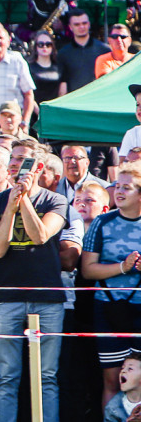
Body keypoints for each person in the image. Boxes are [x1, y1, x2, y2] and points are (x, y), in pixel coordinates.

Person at [0, 137, 73, 422]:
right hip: (5, 299)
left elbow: (40, 236)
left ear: (40, 168)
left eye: (26, 162)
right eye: (15, 161)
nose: (19, 167)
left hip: (47, 299)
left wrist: (26, 202)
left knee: (46, 376)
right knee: (6, 376)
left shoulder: (56, 200)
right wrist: (10, 205)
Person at [81, 163, 141, 406]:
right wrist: (122, 267)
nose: (119, 191)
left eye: (127, 187)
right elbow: (87, 270)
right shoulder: (102, 222)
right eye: (117, 185)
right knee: (113, 379)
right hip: (107, 308)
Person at [57, 8, 110, 95]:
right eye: (77, 24)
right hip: (74, 102)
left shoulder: (104, 49)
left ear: (89, 24)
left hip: (99, 99)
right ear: (70, 27)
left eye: (84, 23)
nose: (81, 27)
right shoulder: (63, 53)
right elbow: (63, 83)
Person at [27, 31, 61, 106]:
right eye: (41, 44)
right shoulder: (28, 67)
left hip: (54, 109)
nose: (44, 47)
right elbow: (27, 93)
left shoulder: (59, 67)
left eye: (48, 44)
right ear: (36, 47)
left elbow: (62, 93)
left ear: (52, 47)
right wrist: (38, 111)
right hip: (34, 110)